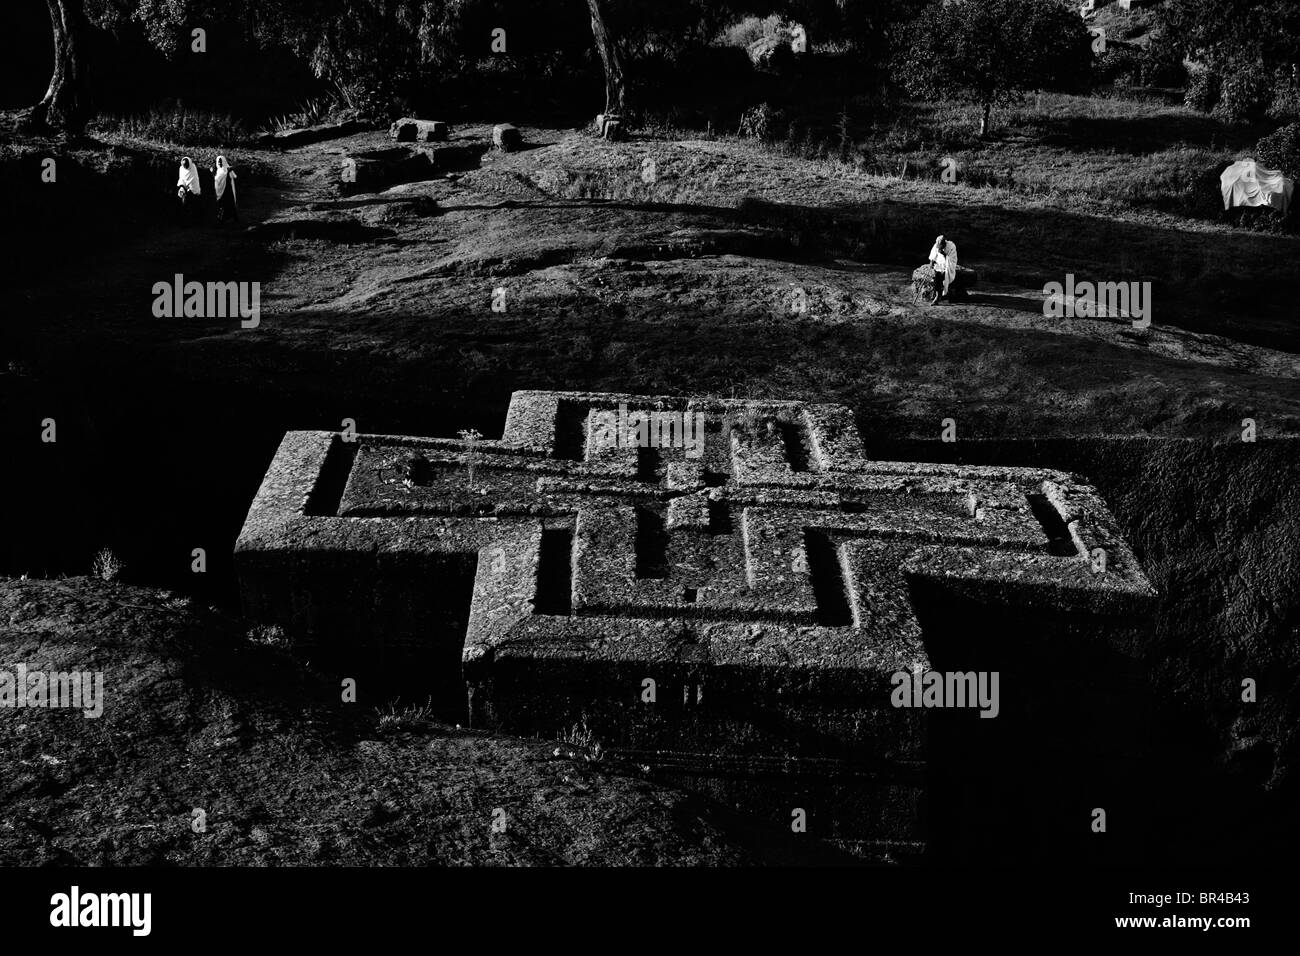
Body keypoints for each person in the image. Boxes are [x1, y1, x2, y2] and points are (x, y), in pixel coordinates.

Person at [928, 234, 958, 300]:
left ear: (944, 243)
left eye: (941, 246)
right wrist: (931, 262)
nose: (939, 248)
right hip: (939, 264)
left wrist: (943, 254)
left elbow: (952, 259)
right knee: (936, 276)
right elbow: (933, 255)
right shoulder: (936, 245)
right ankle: (937, 295)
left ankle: (942, 295)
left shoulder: (951, 246)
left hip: (948, 265)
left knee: (943, 275)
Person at [212, 154, 239, 224]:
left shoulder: (227, 169)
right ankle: (222, 220)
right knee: (222, 206)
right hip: (220, 191)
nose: (220, 163)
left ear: (224, 162)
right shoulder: (217, 171)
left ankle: (226, 219)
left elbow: (234, 169)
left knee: (228, 205)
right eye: (218, 162)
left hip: (227, 191)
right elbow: (216, 180)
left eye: (221, 162)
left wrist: (231, 167)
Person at [176, 156, 202, 224]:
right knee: (184, 205)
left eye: (186, 165)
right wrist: (182, 187)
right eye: (183, 165)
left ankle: (191, 222)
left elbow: (194, 180)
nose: (185, 166)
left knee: (192, 206)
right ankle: (184, 222)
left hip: (193, 191)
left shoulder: (193, 168)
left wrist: (190, 190)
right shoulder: (181, 169)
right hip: (185, 190)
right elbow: (181, 179)